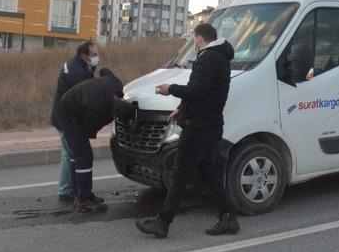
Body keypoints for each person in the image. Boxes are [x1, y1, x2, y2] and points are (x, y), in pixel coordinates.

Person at [135, 24, 238, 238]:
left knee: (180, 174)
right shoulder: (218, 57)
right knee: (207, 172)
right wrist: (181, 109)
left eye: (193, 38)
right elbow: (204, 92)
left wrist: (169, 90)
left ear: (198, 38)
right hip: (210, 125)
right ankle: (228, 216)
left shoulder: (208, 58)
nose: (193, 42)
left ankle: (162, 222)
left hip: (198, 127)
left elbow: (197, 91)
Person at [57, 69, 135, 213]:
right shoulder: (98, 109)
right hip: (68, 114)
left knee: (78, 155)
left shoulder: (116, 85)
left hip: (72, 103)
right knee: (84, 157)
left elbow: (105, 71)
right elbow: (87, 130)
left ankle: (81, 193)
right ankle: (83, 201)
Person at [51, 40, 99, 203]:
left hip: (62, 115)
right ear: (83, 55)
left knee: (69, 152)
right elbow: (84, 98)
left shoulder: (78, 64)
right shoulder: (79, 72)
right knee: (71, 153)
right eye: (94, 55)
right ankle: (66, 190)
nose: (96, 57)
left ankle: (69, 188)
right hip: (66, 118)